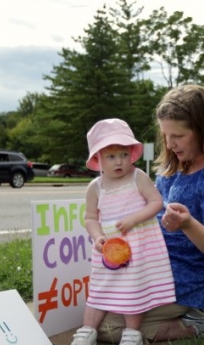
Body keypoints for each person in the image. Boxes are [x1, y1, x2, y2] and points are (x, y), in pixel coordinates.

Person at [92, 85, 204, 344]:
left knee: (106, 328)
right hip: (156, 266)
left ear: (203, 129)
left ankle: (203, 320)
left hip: (192, 275)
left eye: (177, 135)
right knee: (93, 309)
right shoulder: (173, 166)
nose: (169, 143)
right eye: (165, 134)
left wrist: (188, 224)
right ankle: (190, 313)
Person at [71, 119, 176, 345]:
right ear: (98, 158)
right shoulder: (96, 187)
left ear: (132, 154)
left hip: (138, 246)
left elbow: (156, 202)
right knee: (99, 288)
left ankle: (132, 332)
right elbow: (90, 217)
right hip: (109, 249)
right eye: (111, 156)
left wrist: (133, 219)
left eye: (124, 154)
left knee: (133, 289)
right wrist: (97, 236)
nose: (119, 161)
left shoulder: (138, 177)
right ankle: (87, 329)